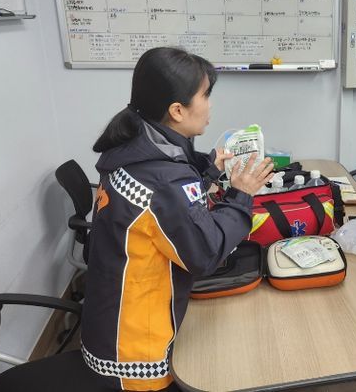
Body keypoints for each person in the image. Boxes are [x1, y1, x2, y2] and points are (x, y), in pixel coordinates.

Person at [80, 47, 274, 391]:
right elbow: (206, 253)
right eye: (206, 95)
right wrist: (241, 194)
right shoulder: (164, 181)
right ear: (177, 110)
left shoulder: (133, 148)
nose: (210, 105)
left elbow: (169, 209)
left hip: (107, 325)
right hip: (133, 354)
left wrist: (208, 171)